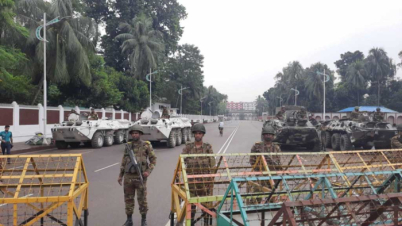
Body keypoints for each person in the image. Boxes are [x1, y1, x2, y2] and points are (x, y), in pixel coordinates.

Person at [118, 125, 157, 226]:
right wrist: (120, 175)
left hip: (140, 177)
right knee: (128, 199)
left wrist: (148, 171)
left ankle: (143, 220)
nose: (134, 135)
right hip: (128, 177)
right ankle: (129, 220)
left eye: (136, 133)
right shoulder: (128, 146)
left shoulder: (146, 145)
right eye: (133, 133)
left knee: (142, 200)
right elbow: (124, 161)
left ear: (140, 134)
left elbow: (153, 160)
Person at [182, 123, 215, 225]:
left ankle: (205, 223)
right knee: (191, 206)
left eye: (200, 133)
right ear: (194, 134)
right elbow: (183, 161)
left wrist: (211, 180)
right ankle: (191, 223)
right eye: (196, 133)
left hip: (205, 182)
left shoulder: (208, 147)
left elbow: (212, 164)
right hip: (192, 182)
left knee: (205, 206)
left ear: (203, 135)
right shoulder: (188, 147)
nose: (198, 135)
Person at [249, 125, 281, 203]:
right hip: (261, 173)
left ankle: (271, 205)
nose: (268, 136)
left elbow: (278, 161)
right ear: (263, 135)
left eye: (270, 135)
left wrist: (276, 170)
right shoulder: (257, 146)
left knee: (272, 191)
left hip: (273, 173)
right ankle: (254, 206)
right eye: (266, 134)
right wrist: (257, 169)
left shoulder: (276, 148)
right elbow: (252, 160)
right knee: (257, 190)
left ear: (273, 136)